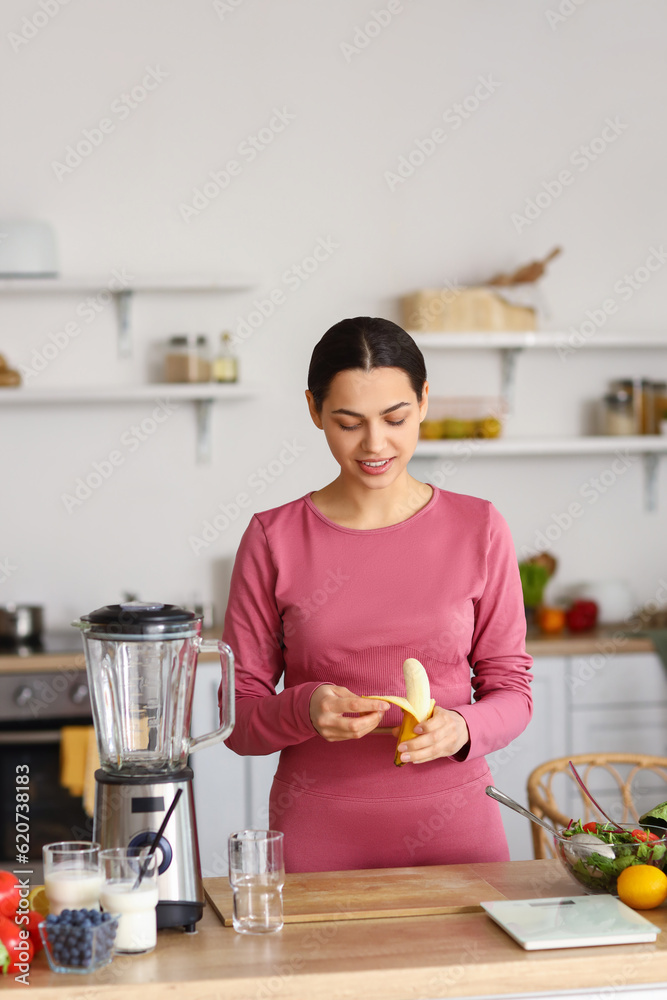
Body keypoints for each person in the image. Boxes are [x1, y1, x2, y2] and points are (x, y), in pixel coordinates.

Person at [221, 317, 533, 872]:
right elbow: (237, 721)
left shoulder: (479, 527)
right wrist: (304, 708)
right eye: (348, 423)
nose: (374, 444)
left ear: (424, 401)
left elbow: (512, 691)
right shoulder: (273, 539)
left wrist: (464, 727)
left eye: (396, 419)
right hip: (318, 841)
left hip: (460, 837)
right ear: (315, 411)